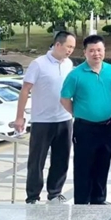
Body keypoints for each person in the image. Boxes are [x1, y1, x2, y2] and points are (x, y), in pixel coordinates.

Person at [15, 31, 76, 204]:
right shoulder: (38, 64)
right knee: (37, 161)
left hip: (64, 119)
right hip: (42, 120)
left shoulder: (69, 64)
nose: (70, 50)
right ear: (58, 44)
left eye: (72, 47)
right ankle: (33, 197)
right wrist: (19, 117)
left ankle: (55, 194)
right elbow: (25, 90)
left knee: (61, 159)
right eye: (68, 46)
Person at [60, 35, 111, 205]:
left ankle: (99, 200)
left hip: (106, 126)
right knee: (83, 166)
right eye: (91, 50)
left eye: (99, 50)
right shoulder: (75, 75)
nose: (96, 54)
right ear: (85, 52)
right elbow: (64, 99)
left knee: (103, 163)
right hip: (84, 128)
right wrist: (77, 112)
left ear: (104, 51)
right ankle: (81, 202)